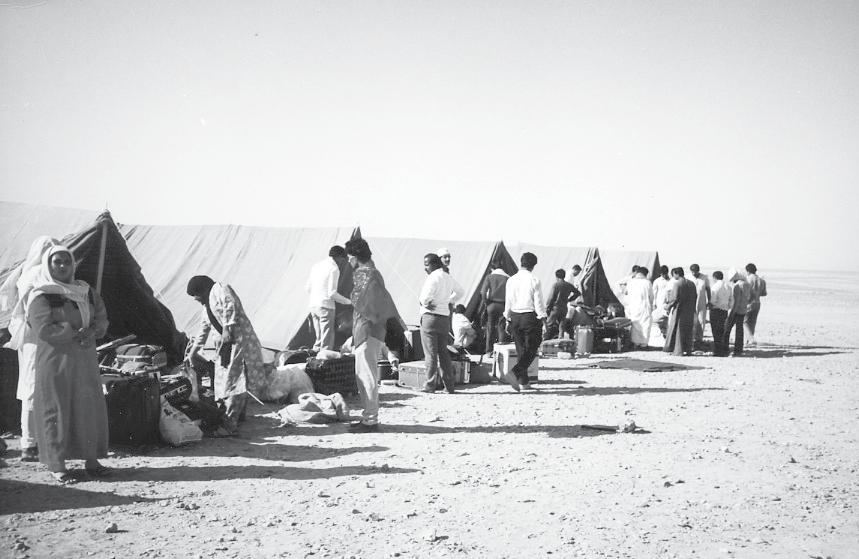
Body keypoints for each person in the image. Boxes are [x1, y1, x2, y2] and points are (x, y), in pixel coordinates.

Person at [26, 245, 109, 484]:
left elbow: (101, 318)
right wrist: (72, 332)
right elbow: (42, 327)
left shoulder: (86, 291)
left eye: (66, 261)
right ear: (48, 265)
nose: (62, 266)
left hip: (84, 359)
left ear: (73, 264)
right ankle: (57, 465)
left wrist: (93, 331)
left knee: (87, 408)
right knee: (56, 409)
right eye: (57, 261)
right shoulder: (42, 295)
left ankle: (91, 460)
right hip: (55, 360)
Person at [0, 236, 59, 462]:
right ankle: (30, 444)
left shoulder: (27, 272)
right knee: (33, 389)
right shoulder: (36, 274)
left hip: (35, 337)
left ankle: (35, 441)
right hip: (37, 337)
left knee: (33, 388)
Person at [186, 276, 267, 434]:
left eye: (196, 295)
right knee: (226, 382)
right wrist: (192, 353)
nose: (196, 299)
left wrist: (227, 329)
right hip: (226, 349)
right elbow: (203, 330)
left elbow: (230, 306)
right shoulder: (207, 308)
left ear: (202, 290)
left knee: (235, 383)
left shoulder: (221, 289)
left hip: (240, 343)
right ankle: (238, 416)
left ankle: (229, 425)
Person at [345, 238, 401, 431]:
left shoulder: (364, 274)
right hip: (374, 330)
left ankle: (370, 419)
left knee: (366, 375)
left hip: (366, 329)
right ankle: (369, 417)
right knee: (367, 373)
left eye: (349, 258)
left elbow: (363, 302)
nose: (349, 261)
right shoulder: (375, 273)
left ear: (354, 257)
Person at [419, 253, 465, 394]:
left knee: (430, 354)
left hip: (430, 318)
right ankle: (449, 386)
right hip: (444, 319)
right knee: (444, 353)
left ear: (433, 264)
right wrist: (449, 301)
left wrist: (426, 303)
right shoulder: (447, 277)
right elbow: (460, 292)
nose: (425, 268)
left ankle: (430, 385)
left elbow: (424, 298)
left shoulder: (432, 277)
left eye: (426, 265)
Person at [504, 252, 546, 391]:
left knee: (521, 350)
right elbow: (538, 302)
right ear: (533, 265)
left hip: (514, 316)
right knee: (532, 348)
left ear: (521, 262)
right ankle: (515, 372)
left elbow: (508, 301)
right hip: (529, 316)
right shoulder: (534, 279)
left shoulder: (511, 280)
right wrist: (543, 318)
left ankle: (523, 382)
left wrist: (507, 318)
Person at [306, 246, 352, 351]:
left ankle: (314, 356)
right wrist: (348, 302)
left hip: (313, 305)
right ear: (339, 257)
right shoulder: (334, 269)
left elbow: (308, 288)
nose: (342, 262)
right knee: (326, 340)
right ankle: (323, 358)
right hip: (326, 306)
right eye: (343, 259)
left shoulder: (316, 266)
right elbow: (332, 294)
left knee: (319, 339)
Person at [663, 267, 697, 356]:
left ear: (676, 274)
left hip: (680, 310)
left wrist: (668, 307)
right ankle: (688, 350)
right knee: (688, 330)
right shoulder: (691, 283)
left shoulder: (677, 284)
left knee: (679, 330)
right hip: (690, 311)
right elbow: (695, 297)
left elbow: (674, 298)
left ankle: (678, 351)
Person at [480, 258, 509, 356]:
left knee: (490, 328)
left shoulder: (489, 277)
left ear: (492, 268)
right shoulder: (507, 278)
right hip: (503, 305)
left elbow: (483, 292)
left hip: (491, 305)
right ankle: (500, 352)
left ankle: (489, 351)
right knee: (501, 327)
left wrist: (486, 302)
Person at [624, 266, 654, 349]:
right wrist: (651, 306)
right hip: (644, 306)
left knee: (635, 325)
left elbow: (627, 294)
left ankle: (635, 343)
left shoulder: (631, 282)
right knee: (645, 325)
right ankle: (644, 344)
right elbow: (651, 296)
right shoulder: (647, 283)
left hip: (633, 307)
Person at [724, 268, 751, 356]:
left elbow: (736, 301)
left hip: (736, 310)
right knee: (739, 330)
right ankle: (738, 349)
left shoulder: (737, 286)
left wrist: (732, 313)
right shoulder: (747, 284)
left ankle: (725, 347)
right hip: (743, 310)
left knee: (727, 329)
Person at [545, 269, 578, 339]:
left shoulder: (555, 285)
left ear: (556, 277)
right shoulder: (568, 285)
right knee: (561, 325)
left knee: (548, 324)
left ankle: (544, 339)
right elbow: (578, 293)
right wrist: (570, 299)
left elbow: (551, 298)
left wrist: (547, 307)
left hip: (555, 308)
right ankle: (561, 339)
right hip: (564, 308)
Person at [709, 271, 733, 357]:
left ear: (714, 277)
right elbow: (731, 300)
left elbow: (713, 300)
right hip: (724, 311)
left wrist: (710, 306)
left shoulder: (715, 286)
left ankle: (717, 351)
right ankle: (724, 349)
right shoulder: (728, 286)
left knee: (716, 331)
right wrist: (727, 307)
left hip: (716, 310)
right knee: (722, 330)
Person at [744, 263, 767, 347]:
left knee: (744, 322)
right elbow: (764, 293)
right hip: (757, 302)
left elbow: (747, 292)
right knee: (752, 323)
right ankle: (749, 341)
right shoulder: (761, 280)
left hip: (749, 302)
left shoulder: (747, 279)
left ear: (748, 271)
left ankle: (751, 339)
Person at [689, 264, 711, 347]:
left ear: (698, 271)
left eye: (696, 271)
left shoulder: (704, 278)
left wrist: (709, 301)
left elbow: (708, 289)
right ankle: (691, 339)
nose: (694, 273)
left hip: (702, 301)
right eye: (693, 272)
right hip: (691, 301)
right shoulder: (688, 277)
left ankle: (699, 339)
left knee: (701, 320)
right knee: (692, 320)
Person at [651, 265, 671, 340]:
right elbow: (654, 293)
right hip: (659, 303)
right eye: (662, 274)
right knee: (659, 319)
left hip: (667, 303)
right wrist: (654, 304)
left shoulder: (670, 281)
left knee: (667, 319)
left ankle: (666, 336)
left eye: (665, 273)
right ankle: (660, 336)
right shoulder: (657, 281)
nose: (664, 275)